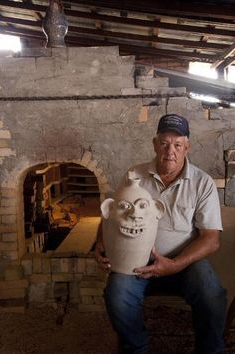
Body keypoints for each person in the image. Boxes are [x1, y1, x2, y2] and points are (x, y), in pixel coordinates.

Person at [95, 113, 227, 354]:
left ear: (187, 147)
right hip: (136, 262)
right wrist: (100, 242)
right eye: (164, 143)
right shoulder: (134, 175)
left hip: (185, 262)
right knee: (117, 296)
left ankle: (210, 350)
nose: (170, 151)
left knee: (212, 294)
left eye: (177, 145)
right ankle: (136, 347)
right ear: (155, 144)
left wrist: (175, 264)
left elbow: (211, 239)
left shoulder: (202, 182)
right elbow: (112, 214)